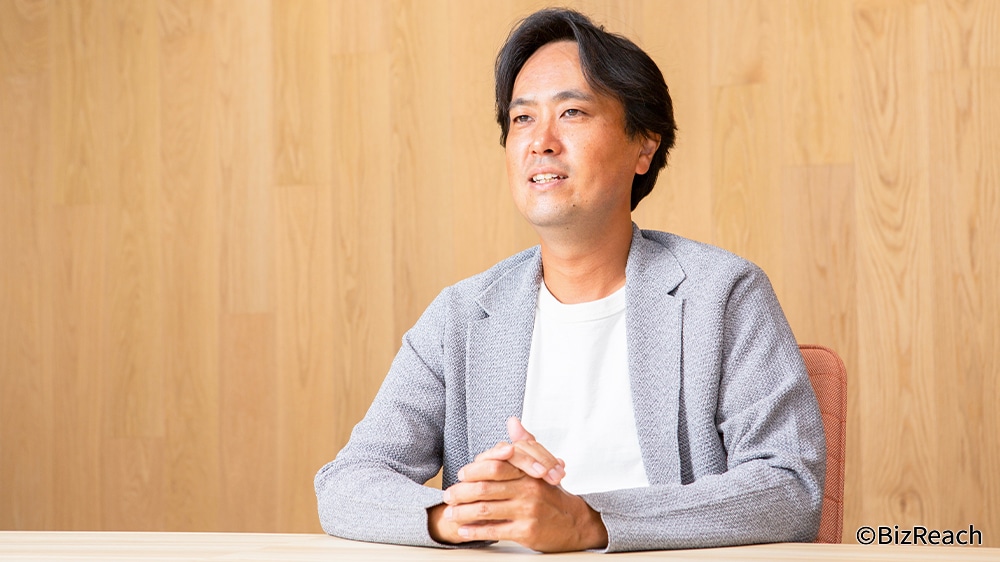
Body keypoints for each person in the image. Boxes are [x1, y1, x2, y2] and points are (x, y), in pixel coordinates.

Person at [315, 8, 825, 553]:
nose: (541, 141)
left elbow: (789, 488)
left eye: (572, 112)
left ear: (644, 146)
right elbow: (346, 482)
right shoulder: (461, 315)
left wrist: (588, 522)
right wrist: (464, 515)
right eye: (522, 119)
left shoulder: (722, 294)